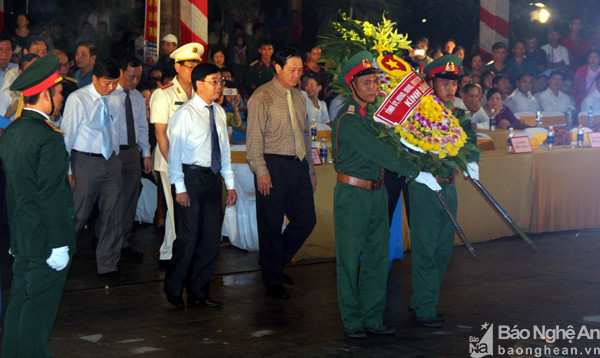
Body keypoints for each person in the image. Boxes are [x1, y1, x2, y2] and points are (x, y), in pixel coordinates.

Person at [331, 50, 440, 339]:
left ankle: (372, 316)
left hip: (377, 193)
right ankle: (353, 319)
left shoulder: (372, 116)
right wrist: (418, 174)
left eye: (375, 82)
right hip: (352, 195)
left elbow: (395, 144)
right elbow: (380, 152)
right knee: (349, 259)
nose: (373, 88)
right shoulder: (350, 118)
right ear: (352, 85)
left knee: (378, 259)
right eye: (366, 83)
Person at [0, 54, 74, 358]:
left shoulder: (12, 131)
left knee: (21, 300)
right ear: (44, 95)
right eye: (57, 93)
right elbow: (52, 195)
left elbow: (16, 190)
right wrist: (59, 244)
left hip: (23, 234)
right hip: (45, 238)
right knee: (38, 310)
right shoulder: (48, 137)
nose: (59, 99)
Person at [409, 54, 479, 328]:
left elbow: (470, 143)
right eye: (443, 82)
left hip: (448, 187)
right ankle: (425, 308)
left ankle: (421, 299)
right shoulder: (419, 113)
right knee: (425, 249)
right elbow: (408, 146)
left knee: (442, 251)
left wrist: (472, 162)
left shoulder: (460, 115)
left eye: (453, 83)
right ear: (431, 82)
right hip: (425, 187)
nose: (449, 88)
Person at [164, 63, 237, 309]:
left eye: (221, 81)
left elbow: (223, 151)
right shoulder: (184, 114)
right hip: (191, 179)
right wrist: (180, 187)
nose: (219, 86)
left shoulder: (217, 111)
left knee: (210, 240)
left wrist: (230, 184)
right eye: (214, 81)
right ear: (199, 84)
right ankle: (174, 287)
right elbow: (174, 155)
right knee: (188, 238)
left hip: (213, 179)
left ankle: (199, 292)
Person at [246, 48, 317, 300]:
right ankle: (272, 278)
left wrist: (309, 168)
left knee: (306, 219)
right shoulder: (261, 96)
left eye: (300, 70)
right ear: (277, 68)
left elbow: (306, 135)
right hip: (272, 165)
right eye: (292, 70)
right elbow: (254, 139)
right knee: (271, 224)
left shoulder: (299, 97)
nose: (297, 75)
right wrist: (261, 171)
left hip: (297, 165)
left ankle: (273, 263)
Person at [61, 59, 125, 282]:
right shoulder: (77, 99)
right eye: (107, 83)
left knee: (113, 214)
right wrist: (68, 169)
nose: (112, 88)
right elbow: (66, 136)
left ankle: (108, 264)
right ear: (95, 79)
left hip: (111, 161)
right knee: (78, 214)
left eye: (115, 83)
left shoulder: (117, 96)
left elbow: (115, 128)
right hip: (85, 162)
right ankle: (61, 261)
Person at [150, 43, 203, 267]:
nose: (192, 70)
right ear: (177, 67)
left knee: (180, 209)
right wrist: (175, 165)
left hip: (193, 161)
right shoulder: (164, 94)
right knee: (176, 209)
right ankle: (176, 256)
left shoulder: (199, 94)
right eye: (188, 66)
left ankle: (168, 253)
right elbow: (161, 134)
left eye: (195, 66)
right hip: (170, 160)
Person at [108, 57, 151, 259]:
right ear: (120, 72)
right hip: (113, 153)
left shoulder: (136, 98)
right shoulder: (109, 95)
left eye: (139, 77)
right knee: (113, 200)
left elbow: (142, 126)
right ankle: (107, 242)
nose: (135, 81)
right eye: (131, 76)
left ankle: (124, 242)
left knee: (130, 199)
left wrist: (146, 153)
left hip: (133, 152)